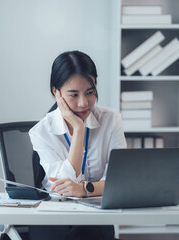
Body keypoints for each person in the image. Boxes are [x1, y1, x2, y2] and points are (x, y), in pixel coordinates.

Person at [28, 50, 127, 240]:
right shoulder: (41, 132)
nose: (84, 103)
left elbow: (119, 182)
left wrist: (83, 189)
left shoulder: (111, 120)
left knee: (90, 230)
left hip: (94, 221)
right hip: (53, 220)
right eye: (73, 95)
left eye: (90, 93)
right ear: (56, 92)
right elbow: (63, 188)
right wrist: (79, 130)